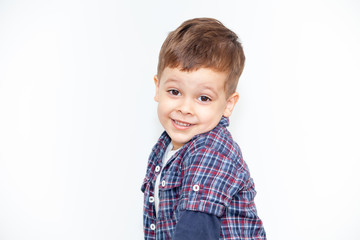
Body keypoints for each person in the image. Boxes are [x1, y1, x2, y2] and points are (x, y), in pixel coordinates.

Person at [141, 17, 266, 240]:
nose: (185, 108)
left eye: (203, 97)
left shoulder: (210, 150)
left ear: (228, 104)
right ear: (157, 88)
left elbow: (196, 231)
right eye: (175, 92)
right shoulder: (166, 147)